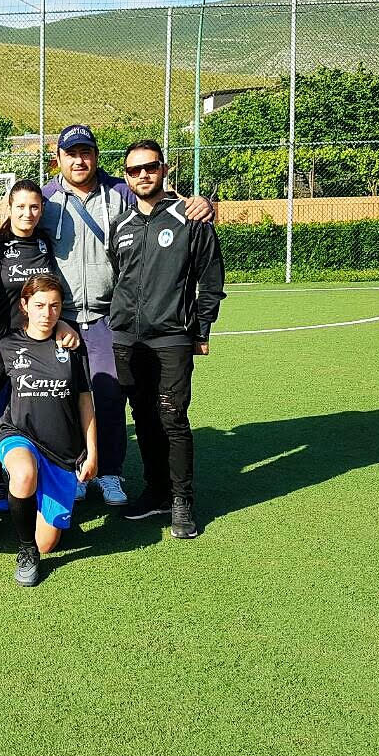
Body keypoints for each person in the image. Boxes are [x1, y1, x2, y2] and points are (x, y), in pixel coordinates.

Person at [41, 123, 214, 508]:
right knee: (62, 399)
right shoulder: (46, 199)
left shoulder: (120, 191)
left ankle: (111, 473)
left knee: (111, 398)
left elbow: (167, 206)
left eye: (86, 152)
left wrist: (201, 204)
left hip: (108, 318)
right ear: (59, 160)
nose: (79, 159)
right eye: (72, 154)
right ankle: (76, 470)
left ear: (97, 156)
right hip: (61, 319)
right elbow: (11, 228)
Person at [108, 140, 225, 539]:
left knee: (172, 418)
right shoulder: (120, 225)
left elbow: (211, 280)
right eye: (134, 170)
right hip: (126, 337)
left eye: (150, 167)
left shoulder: (191, 219)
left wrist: (202, 329)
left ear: (164, 169)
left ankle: (181, 500)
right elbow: (119, 276)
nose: (143, 174)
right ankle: (156, 490)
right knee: (142, 417)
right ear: (126, 177)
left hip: (171, 337)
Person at [0, 274, 98, 586]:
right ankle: (26, 552)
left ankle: (38, 523)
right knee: (23, 473)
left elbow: (84, 403)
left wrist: (91, 453)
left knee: (47, 544)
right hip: (18, 434)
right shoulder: (7, 345)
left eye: (54, 306)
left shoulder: (72, 346)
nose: (47, 313)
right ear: (24, 306)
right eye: (39, 305)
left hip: (62, 450)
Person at [0, 179, 57, 511]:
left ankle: (41, 472)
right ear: (9, 208)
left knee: (36, 412)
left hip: (39, 345)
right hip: (0, 346)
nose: (28, 213)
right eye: (21, 206)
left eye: (35, 207)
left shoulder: (45, 243)